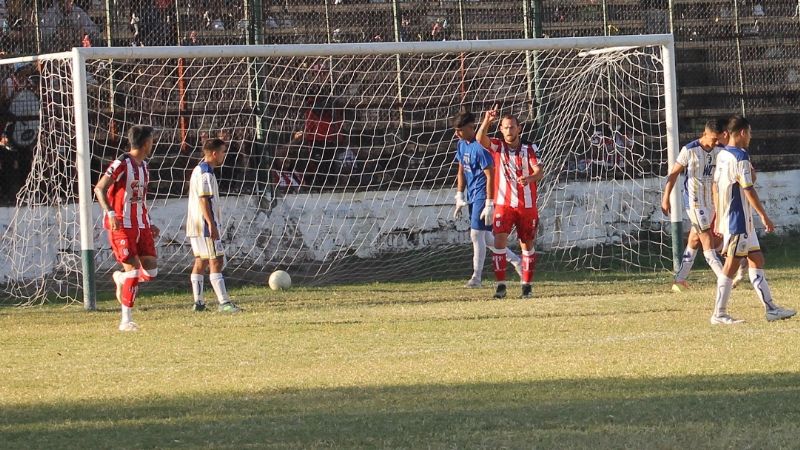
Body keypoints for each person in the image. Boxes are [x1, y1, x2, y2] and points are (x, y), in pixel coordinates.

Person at [710, 115, 795, 324]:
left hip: (737, 220)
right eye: (749, 133)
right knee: (731, 265)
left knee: (757, 259)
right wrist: (764, 216)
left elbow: (717, 186)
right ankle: (719, 314)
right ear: (741, 132)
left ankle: (771, 309)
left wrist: (719, 216)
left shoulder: (722, 155)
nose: (750, 137)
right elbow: (748, 189)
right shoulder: (740, 156)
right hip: (737, 220)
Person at [93, 125, 160, 332]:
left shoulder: (144, 167)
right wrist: (111, 214)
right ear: (146, 142)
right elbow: (99, 188)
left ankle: (120, 278)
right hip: (121, 224)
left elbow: (138, 199)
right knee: (133, 271)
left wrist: (149, 222)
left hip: (141, 224)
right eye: (152, 140)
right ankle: (125, 320)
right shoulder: (121, 163)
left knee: (151, 272)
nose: (153, 143)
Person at [476, 105, 542, 299]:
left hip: (526, 206)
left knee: (526, 245)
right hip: (503, 204)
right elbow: (480, 139)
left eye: (512, 127)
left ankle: (527, 286)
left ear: (519, 128)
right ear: (501, 129)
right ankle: (501, 286)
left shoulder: (529, 148)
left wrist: (530, 178)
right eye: (505, 127)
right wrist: (487, 120)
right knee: (499, 242)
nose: (509, 130)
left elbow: (539, 171)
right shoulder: (498, 146)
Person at [451, 110, 522, 288]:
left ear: (470, 128)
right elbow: (461, 170)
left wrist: (490, 203)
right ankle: (517, 261)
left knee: (476, 235)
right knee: (488, 238)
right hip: (472, 195)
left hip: (484, 195)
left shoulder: (480, 147)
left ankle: (476, 278)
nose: (456, 133)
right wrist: (459, 195)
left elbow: (491, 175)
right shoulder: (461, 144)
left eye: (459, 129)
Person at [661, 119, 725, 292]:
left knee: (694, 240)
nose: (716, 142)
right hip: (694, 202)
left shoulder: (720, 150)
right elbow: (673, 174)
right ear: (705, 133)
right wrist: (665, 197)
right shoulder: (689, 150)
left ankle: (679, 280)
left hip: (710, 203)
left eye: (718, 139)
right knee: (707, 240)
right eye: (713, 139)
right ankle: (724, 279)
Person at [186, 137, 241, 313]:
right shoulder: (206, 173)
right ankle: (224, 302)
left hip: (195, 224)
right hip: (204, 225)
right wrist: (211, 224)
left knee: (200, 261)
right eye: (223, 152)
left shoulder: (199, 169)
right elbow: (203, 200)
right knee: (216, 260)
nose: (224, 156)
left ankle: (199, 303)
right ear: (215, 153)